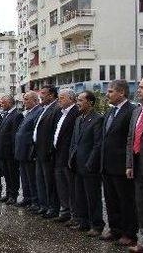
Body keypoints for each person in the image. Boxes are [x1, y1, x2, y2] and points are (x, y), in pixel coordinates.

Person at [100, 80, 137, 246]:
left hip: (122, 166)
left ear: (121, 93)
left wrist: (129, 164)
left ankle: (129, 233)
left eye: (110, 91)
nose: (107, 94)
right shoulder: (110, 112)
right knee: (111, 200)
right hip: (107, 165)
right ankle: (115, 229)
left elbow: (131, 139)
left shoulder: (131, 111)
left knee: (126, 201)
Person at [68, 91, 104, 236]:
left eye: (81, 100)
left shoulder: (97, 119)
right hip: (77, 164)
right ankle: (83, 222)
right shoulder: (78, 119)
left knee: (93, 197)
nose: (78, 102)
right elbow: (73, 141)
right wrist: (71, 158)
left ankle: (96, 225)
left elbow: (97, 144)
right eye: (77, 100)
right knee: (80, 195)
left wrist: (90, 163)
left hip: (89, 166)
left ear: (90, 103)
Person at [126, 76, 143, 253]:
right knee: (142, 204)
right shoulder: (137, 111)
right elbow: (130, 139)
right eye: (139, 87)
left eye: (142, 87)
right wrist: (129, 164)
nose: (138, 90)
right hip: (139, 165)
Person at [33, 85, 62, 218]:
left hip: (48, 153)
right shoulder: (44, 109)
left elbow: (55, 132)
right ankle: (44, 205)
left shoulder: (56, 109)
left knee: (50, 182)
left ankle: (53, 207)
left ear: (51, 95)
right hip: (39, 151)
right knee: (41, 181)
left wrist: (50, 150)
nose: (41, 96)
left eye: (43, 93)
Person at [52, 89, 80, 223]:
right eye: (59, 98)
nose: (59, 100)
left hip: (68, 156)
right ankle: (65, 211)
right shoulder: (61, 113)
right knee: (61, 185)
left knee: (70, 186)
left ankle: (74, 215)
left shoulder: (75, 113)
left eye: (62, 98)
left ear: (71, 99)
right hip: (58, 154)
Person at [15, 91, 43, 209]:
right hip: (22, 151)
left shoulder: (38, 112)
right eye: (24, 99)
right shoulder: (28, 112)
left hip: (29, 151)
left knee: (32, 178)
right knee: (25, 177)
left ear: (35, 100)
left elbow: (34, 133)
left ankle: (35, 201)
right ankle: (27, 198)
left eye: (26, 99)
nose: (24, 102)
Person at [0, 95, 23, 204]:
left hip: (10, 152)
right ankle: (7, 193)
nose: (2, 105)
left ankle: (13, 195)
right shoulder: (7, 114)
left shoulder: (17, 115)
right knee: (6, 174)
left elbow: (14, 135)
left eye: (4, 103)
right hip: (3, 151)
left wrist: (13, 151)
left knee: (13, 174)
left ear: (10, 103)